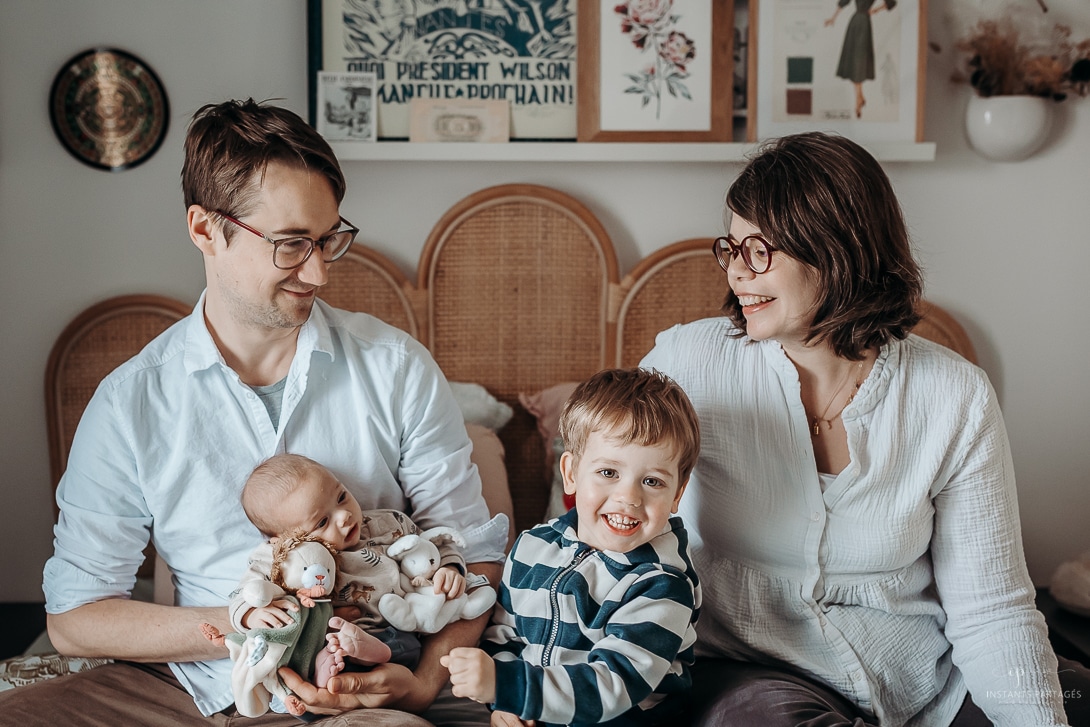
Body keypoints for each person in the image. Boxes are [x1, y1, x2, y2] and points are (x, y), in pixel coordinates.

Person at [1, 99, 506, 726]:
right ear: (205, 229)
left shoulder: (395, 367)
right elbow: (76, 618)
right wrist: (251, 623)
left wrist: (422, 686)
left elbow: (473, 556)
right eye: (292, 244)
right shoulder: (131, 402)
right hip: (197, 689)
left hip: (366, 684)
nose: (318, 271)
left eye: (328, 240)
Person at [640, 131, 1090, 726]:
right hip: (753, 676)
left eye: (760, 251)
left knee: (1068, 699)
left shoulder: (953, 393)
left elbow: (992, 609)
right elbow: (603, 505)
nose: (738, 275)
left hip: (921, 676)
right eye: (732, 247)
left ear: (838, 250)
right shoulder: (687, 365)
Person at [442, 368, 702, 726]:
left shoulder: (663, 583)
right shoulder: (531, 548)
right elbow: (504, 635)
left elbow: (615, 685)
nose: (629, 497)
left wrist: (509, 687)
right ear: (571, 474)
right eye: (609, 472)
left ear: (677, 494)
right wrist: (505, 703)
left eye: (652, 481)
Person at [230, 453, 475, 673]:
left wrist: (449, 568)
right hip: (331, 638)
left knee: (408, 647)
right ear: (284, 540)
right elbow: (245, 591)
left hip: (395, 628)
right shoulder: (283, 556)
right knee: (307, 657)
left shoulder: (388, 523)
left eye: (341, 496)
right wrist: (249, 614)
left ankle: (366, 655)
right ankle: (327, 669)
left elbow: (434, 545)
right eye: (322, 522)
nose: (344, 515)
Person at [824, 0, 896, 118]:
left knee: (859, 60)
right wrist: (833, 18)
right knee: (853, 60)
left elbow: (891, 2)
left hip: (864, 24)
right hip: (855, 22)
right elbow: (844, 2)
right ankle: (860, 97)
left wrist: (876, 10)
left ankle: (858, 100)